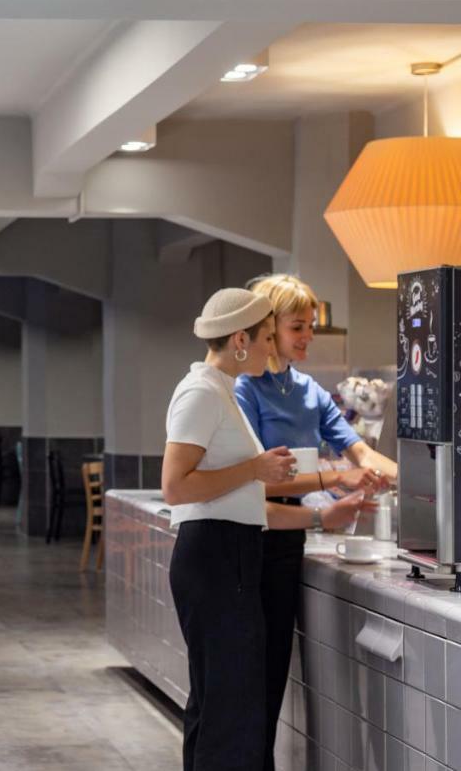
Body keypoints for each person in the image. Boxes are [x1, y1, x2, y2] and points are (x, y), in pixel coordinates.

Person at [162, 288, 370, 771]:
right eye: (267, 338)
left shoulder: (218, 391)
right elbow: (175, 486)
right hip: (215, 558)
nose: (271, 348)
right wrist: (256, 469)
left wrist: (318, 513)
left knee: (225, 707)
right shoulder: (202, 392)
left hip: (230, 553)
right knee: (230, 712)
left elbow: (248, 503)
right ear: (240, 339)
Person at [234, 273, 397, 770]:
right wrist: (336, 483)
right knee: (246, 689)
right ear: (269, 327)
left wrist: (396, 475)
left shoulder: (308, 390)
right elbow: (253, 482)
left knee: (272, 679)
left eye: (311, 328)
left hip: (288, 545)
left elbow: (359, 448)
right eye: (297, 327)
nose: (307, 337)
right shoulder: (245, 390)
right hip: (250, 544)